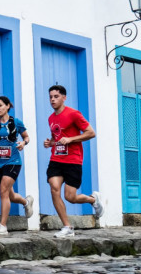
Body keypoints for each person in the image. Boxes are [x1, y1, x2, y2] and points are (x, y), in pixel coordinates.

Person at [43, 84, 102, 238]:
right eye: (50, 97)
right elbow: (57, 138)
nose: (52, 100)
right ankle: (67, 227)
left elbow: (91, 133)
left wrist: (71, 139)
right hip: (56, 159)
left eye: (56, 96)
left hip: (73, 160)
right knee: (54, 188)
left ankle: (92, 199)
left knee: (70, 197)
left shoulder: (74, 114)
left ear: (64, 97)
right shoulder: (51, 118)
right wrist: (51, 143)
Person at [0, 96, 34, 235]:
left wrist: (23, 143)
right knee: (10, 195)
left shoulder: (16, 122)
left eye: (0, 105)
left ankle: (3, 226)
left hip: (13, 162)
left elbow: (26, 137)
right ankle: (26, 202)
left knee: (3, 190)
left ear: (7, 106)